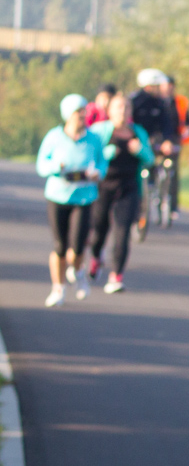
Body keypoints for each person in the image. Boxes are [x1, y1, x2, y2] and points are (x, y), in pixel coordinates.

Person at [36, 94, 107, 307]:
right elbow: (41, 165)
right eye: (78, 112)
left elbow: (103, 162)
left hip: (84, 198)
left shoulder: (94, 139)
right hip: (58, 196)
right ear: (68, 115)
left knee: (77, 248)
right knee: (59, 246)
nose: (82, 116)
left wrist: (97, 174)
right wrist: (56, 167)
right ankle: (58, 288)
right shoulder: (54, 137)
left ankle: (78, 271)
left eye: (84, 112)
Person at [87, 92, 153, 293]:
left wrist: (139, 150)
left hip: (129, 187)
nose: (123, 111)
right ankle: (97, 256)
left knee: (122, 232)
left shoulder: (138, 132)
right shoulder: (99, 131)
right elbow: (89, 156)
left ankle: (116, 276)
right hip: (103, 187)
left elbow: (150, 159)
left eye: (127, 107)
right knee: (99, 229)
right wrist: (105, 154)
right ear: (109, 111)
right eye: (119, 107)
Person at [130, 68, 180, 222]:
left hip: (155, 142)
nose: (161, 89)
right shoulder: (134, 101)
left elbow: (167, 125)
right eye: (158, 86)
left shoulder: (161, 103)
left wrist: (167, 141)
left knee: (168, 163)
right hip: (137, 143)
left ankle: (160, 191)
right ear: (149, 86)